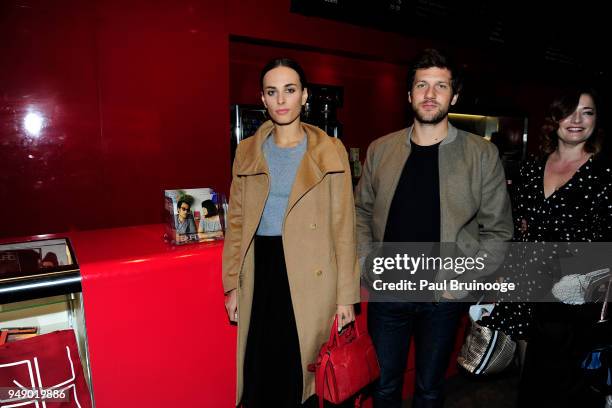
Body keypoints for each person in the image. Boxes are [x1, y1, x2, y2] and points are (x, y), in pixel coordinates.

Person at [354, 48, 513, 408]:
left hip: (443, 297)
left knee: (429, 390)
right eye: (421, 85)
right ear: (408, 94)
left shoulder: (480, 155)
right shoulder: (380, 150)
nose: (430, 94)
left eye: (440, 86)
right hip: (388, 291)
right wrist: (366, 262)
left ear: (454, 96)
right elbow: (360, 212)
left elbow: (499, 232)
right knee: (383, 388)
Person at [222, 58, 360, 407]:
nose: (281, 100)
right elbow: (236, 224)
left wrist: (346, 295)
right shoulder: (247, 152)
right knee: (259, 369)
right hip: (261, 272)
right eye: (272, 92)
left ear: (304, 96)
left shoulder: (330, 151)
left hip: (310, 275)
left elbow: (344, 226)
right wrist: (231, 284)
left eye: (290, 90)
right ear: (263, 100)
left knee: (300, 374)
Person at [501, 87, 610, 407]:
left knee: (567, 388)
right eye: (569, 111)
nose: (577, 119)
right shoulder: (532, 168)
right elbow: (521, 227)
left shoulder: (604, 174)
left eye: (587, 112)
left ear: (595, 121)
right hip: (529, 291)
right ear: (555, 119)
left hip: (576, 300)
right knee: (529, 382)